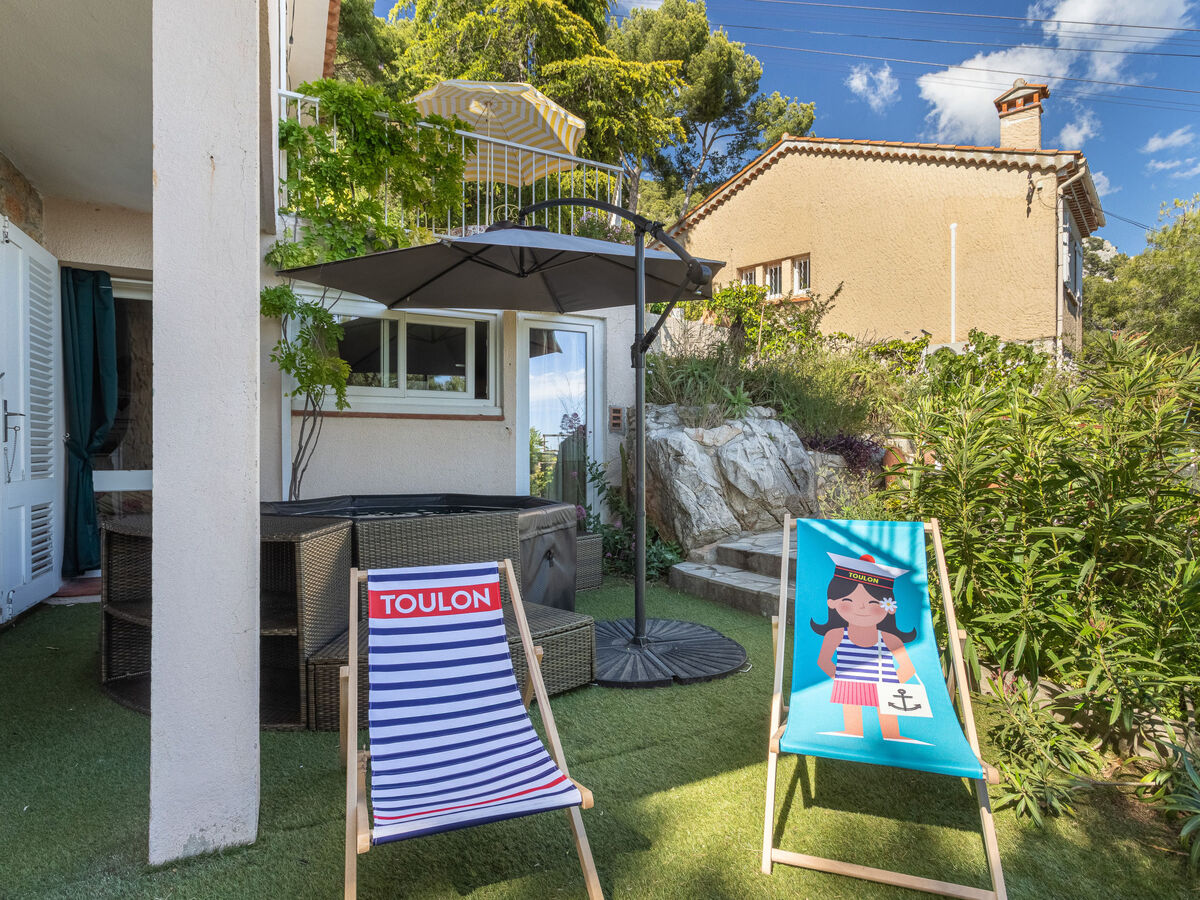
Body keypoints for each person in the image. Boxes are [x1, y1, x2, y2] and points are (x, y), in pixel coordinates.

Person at [811, 552, 918, 741]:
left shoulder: (888, 638)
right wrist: (844, 681)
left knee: (890, 731)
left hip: (884, 687)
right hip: (850, 687)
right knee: (853, 727)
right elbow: (823, 661)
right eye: (849, 601)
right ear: (832, 603)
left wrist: (890, 687)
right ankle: (852, 730)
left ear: (890, 608)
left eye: (873, 602)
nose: (861, 608)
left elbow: (908, 668)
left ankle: (892, 734)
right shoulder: (836, 634)